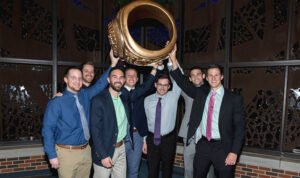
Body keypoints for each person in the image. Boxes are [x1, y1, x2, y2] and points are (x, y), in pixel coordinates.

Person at [42, 50, 119, 178]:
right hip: (66, 153)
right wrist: (51, 155)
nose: (77, 81)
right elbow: (47, 130)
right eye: (73, 78)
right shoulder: (57, 102)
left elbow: (101, 83)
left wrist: (113, 64)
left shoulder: (85, 95)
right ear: (66, 79)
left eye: (79, 78)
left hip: (85, 150)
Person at [170, 56, 245, 178]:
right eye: (210, 75)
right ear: (207, 77)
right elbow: (182, 81)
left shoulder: (233, 98)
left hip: (223, 147)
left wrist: (234, 152)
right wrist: (173, 59)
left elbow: (240, 128)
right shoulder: (201, 94)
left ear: (222, 77)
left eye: (216, 75)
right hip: (203, 145)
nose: (213, 78)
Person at [143, 49, 182, 178]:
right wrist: (144, 140)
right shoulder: (147, 100)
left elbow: (179, 77)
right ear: (155, 84)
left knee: (167, 169)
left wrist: (172, 59)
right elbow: (145, 121)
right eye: (160, 84)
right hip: (151, 139)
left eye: (166, 85)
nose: (163, 87)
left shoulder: (173, 96)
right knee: (152, 169)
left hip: (168, 139)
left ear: (169, 86)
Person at [90, 67, 130, 178]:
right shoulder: (98, 100)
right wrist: (102, 155)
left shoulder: (124, 97)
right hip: (105, 149)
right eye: (114, 77)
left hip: (122, 148)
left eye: (121, 77)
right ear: (108, 80)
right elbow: (95, 131)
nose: (118, 80)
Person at [123, 66, 158, 178]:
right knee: (118, 171)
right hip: (120, 138)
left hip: (137, 136)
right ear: (123, 78)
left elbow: (143, 119)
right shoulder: (117, 92)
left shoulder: (142, 93)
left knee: (134, 171)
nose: (132, 77)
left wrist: (144, 139)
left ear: (138, 79)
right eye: (129, 75)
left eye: (134, 76)